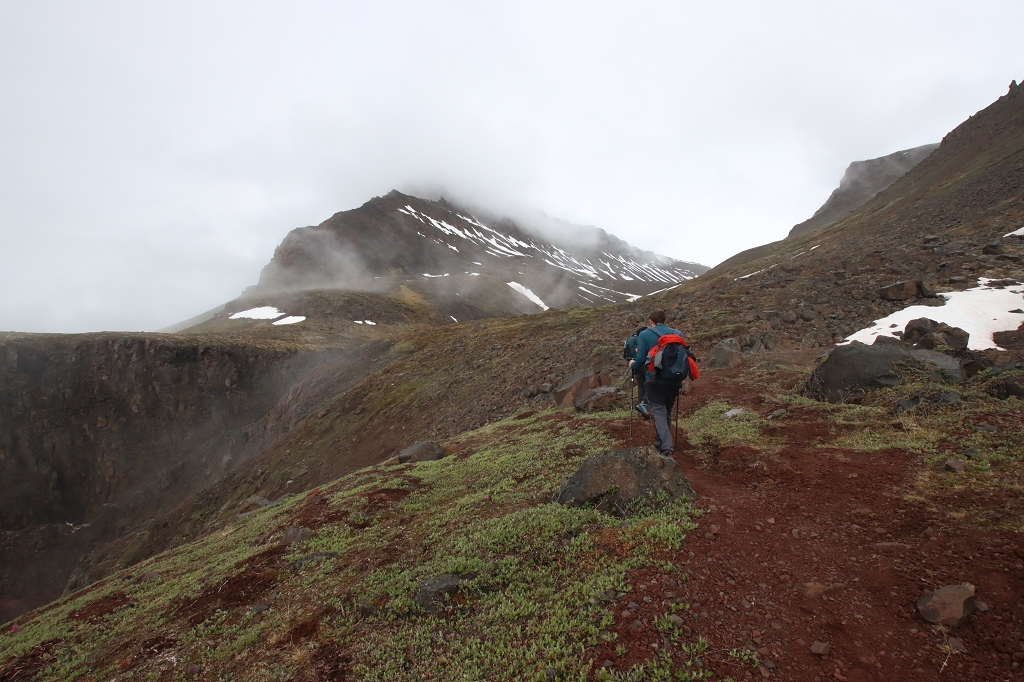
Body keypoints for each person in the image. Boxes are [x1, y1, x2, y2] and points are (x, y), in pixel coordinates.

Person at [629, 308, 687, 457]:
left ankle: (667, 447)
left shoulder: (645, 334)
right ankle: (659, 442)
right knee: (666, 410)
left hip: (655, 379)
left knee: (659, 411)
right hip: (675, 379)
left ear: (650, 321)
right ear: (665, 320)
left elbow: (641, 359)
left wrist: (633, 364)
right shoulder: (678, 334)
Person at [622, 326, 650, 419]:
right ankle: (644, 404)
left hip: (635, 365)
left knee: (641, 386)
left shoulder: (630, 340)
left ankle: (641, 412)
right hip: (645, 364)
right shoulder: (643, 339)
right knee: (651, 384)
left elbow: (625, 355)